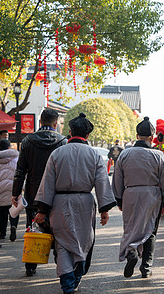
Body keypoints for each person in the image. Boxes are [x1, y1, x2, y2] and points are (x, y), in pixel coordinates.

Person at [34, 113, 116, 294]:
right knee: (84, 241)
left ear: (70, 132)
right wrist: (104, 209)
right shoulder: (94, 155)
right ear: (87, 135)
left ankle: (67, 284)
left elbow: (47, 182)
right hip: (85, 203)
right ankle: (75, 277)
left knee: (62, 243)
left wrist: (42, 210)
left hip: (59, 203)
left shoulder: (57, 153)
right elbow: (102, 182)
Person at [112, 116, 164, 279]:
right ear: (152, 138)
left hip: (130, 194)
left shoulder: (124, 154)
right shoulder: (158, 155)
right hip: (152, 195)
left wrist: (119, 199)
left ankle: (131, 252)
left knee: (131, 227)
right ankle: (146, 267)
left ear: (137, 135)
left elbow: (117, 179)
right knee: (150, 230)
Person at [12, 109, 67, 277]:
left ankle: (31, 265)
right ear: (55, 123)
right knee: (59, 229)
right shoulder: (63, 142)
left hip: (33, 193)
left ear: (40, 122)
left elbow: (20, 170)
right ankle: (61, 263)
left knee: (32, 227)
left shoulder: (28, 141)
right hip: (57, 194)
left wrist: (15, 192)